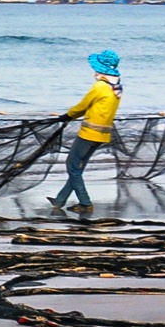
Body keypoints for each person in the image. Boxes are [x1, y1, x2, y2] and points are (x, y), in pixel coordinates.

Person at [49, 50, 122, 214]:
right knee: (78, 167)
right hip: (103, 134)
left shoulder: (100, 87)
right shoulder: (116, 87)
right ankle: (60, 200)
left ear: (101, 69)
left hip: (89, 133)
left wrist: (67, 116)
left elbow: (83, 106)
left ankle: (85, 203)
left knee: (72, 166)